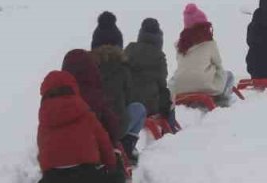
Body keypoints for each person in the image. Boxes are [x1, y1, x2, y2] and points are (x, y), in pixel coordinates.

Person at [30, 70, 125, 183]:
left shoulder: (44, 119)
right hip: (88, 179)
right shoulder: (84, 112)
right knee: (114, 177)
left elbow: (42, 152)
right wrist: (112, 166)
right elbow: (104, 143)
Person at [90, 12, 144, 165]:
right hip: (117, 127)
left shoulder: (88, 67)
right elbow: (129, 98)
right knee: (138, 108)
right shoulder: (123, 68)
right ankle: (127, 147)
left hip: (91, 126)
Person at [170, 3, 237, 106]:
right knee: (229, 75)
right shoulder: (209, 43)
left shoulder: (180, 45)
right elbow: (218, 64)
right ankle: (222, 102)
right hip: (206, 87)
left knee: (175, 77)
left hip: (181, 88)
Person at [125, 18, 181, 135]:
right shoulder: (159, 56)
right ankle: (170, 129)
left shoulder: (129, 49)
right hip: (149, 105)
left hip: (128, 101)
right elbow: (161, 83)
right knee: (169, 95)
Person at [61, 49, 121, 145]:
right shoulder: (95, 95)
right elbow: (113, 128)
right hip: (89, 151)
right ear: (91, 69)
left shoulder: (56, 96)